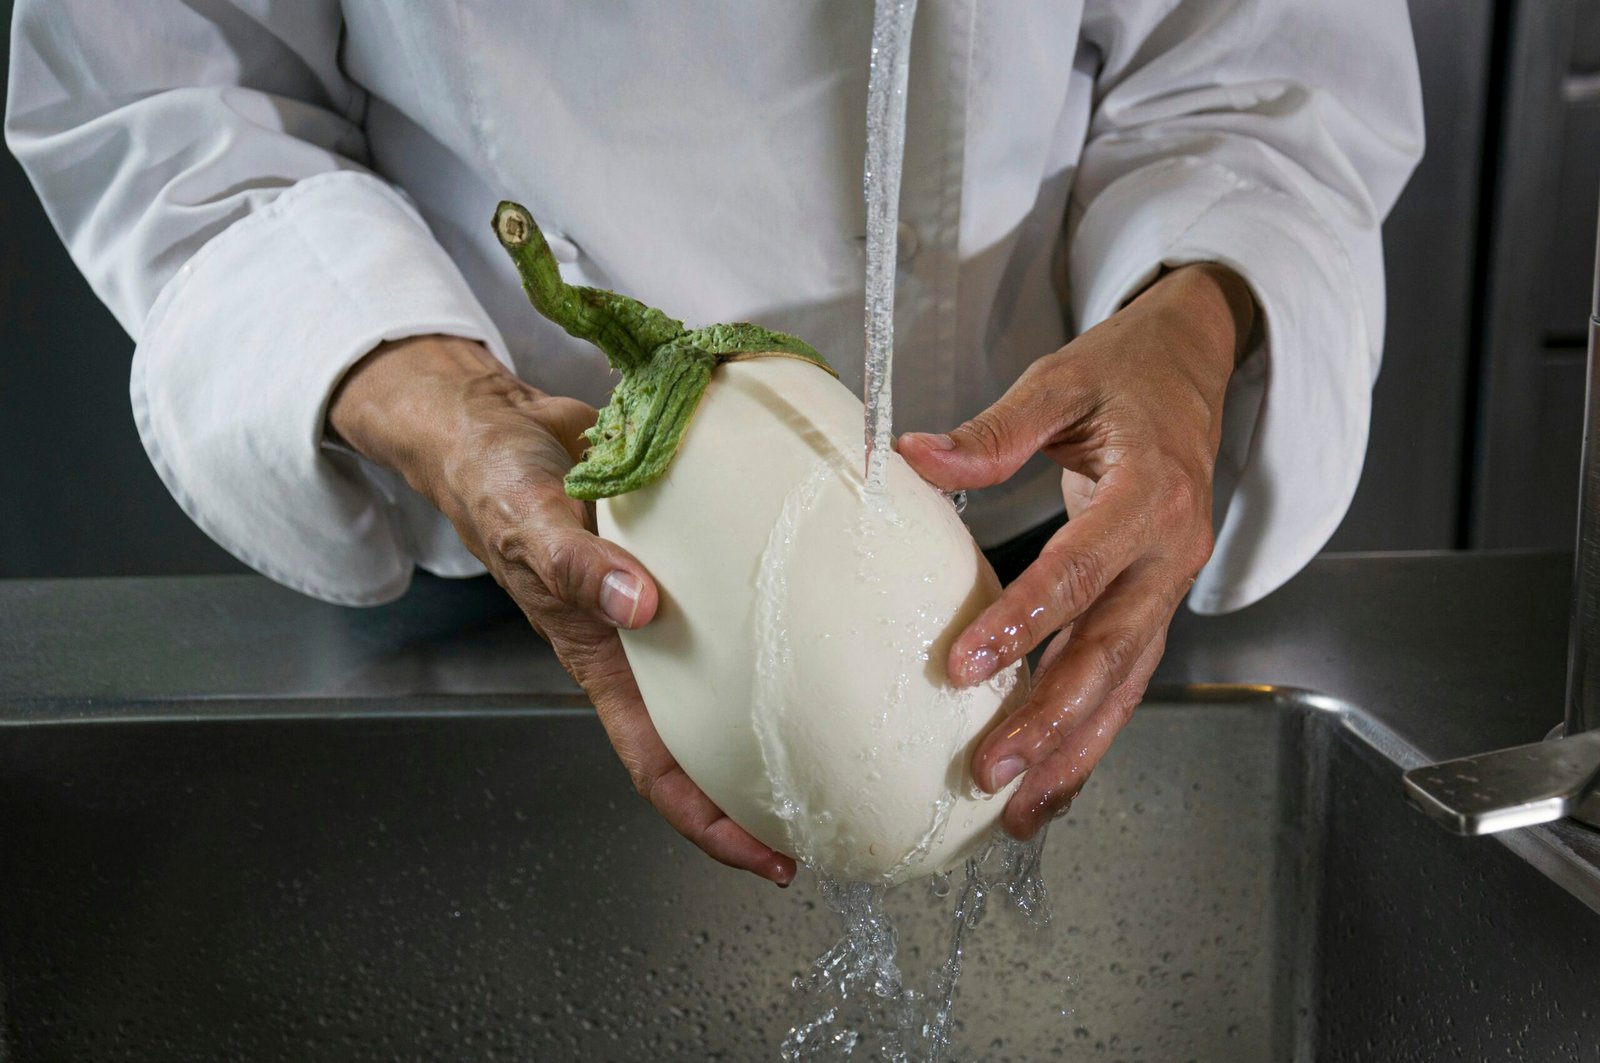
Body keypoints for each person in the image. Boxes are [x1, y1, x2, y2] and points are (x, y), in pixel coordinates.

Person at [6, 2, 1423, 887]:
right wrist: (439, 405)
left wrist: (1194, 311)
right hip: (528, 534)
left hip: (1027, 568)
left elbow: (1264, 66)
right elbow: (164, 97)